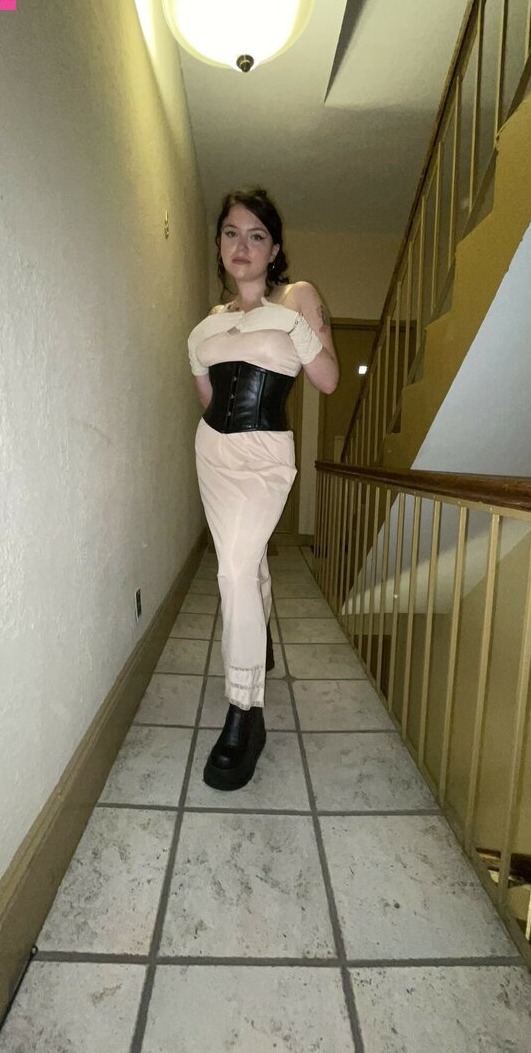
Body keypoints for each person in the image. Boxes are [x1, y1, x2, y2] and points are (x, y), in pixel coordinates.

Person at [187, 187, 339, 790]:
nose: (242, 245)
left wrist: (291, 324)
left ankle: (244, 710)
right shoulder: (211, 320)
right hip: (213, 452)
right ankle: (260, 641)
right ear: (219, 244)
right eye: (231, 233)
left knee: (232, 571)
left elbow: (327, 379)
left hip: (263, 454)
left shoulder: (296, 298)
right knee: (242, 562)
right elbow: (205, 390)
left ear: (274, 248)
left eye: (256, 235)